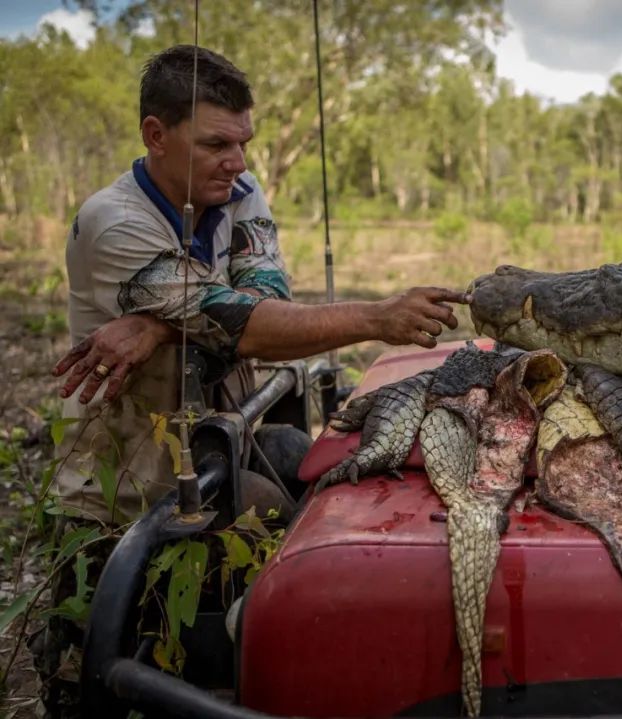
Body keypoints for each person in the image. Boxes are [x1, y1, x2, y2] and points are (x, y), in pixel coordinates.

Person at [50, 44, 469, 523]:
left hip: (217, 449)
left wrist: (163, 327)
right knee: (277, 517)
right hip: (128, 496)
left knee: (300, 454)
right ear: (156, 135)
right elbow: (252, 327)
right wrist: (377, 317)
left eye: (242, 143)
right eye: (216, 145)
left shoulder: (236, 191)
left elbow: (270, 303)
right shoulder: (115, 223)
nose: (238, 162)